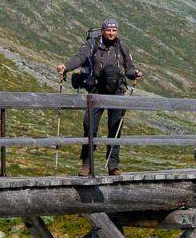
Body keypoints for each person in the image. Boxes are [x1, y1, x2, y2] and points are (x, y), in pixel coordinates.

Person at [57, 18, 142, 176]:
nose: (111, 33)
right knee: (90, 127)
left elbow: (129, 68)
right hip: (96, 92)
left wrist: (135, 73)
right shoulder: (92, 44)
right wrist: (66, 67)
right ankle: (86, 165)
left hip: (118, 93)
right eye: (108, 30)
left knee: (115, 129)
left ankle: (113, 165)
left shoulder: (122, 47)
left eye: (114, 30)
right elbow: (79, 58)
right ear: (103, 30)